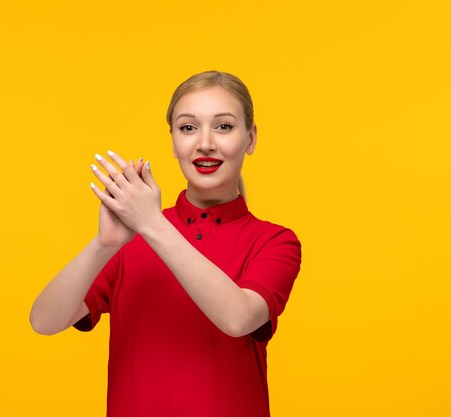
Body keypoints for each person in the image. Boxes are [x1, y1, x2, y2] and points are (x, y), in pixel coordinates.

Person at [30, 70, 302, 417]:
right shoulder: (131, 239)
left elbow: (238, 318)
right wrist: (104, 243)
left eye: (223, 126)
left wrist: (151, 223)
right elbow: (45, 321)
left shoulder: (275, 241)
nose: (205, 142)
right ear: (173, 142)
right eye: (188, 127)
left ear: (250, 139)